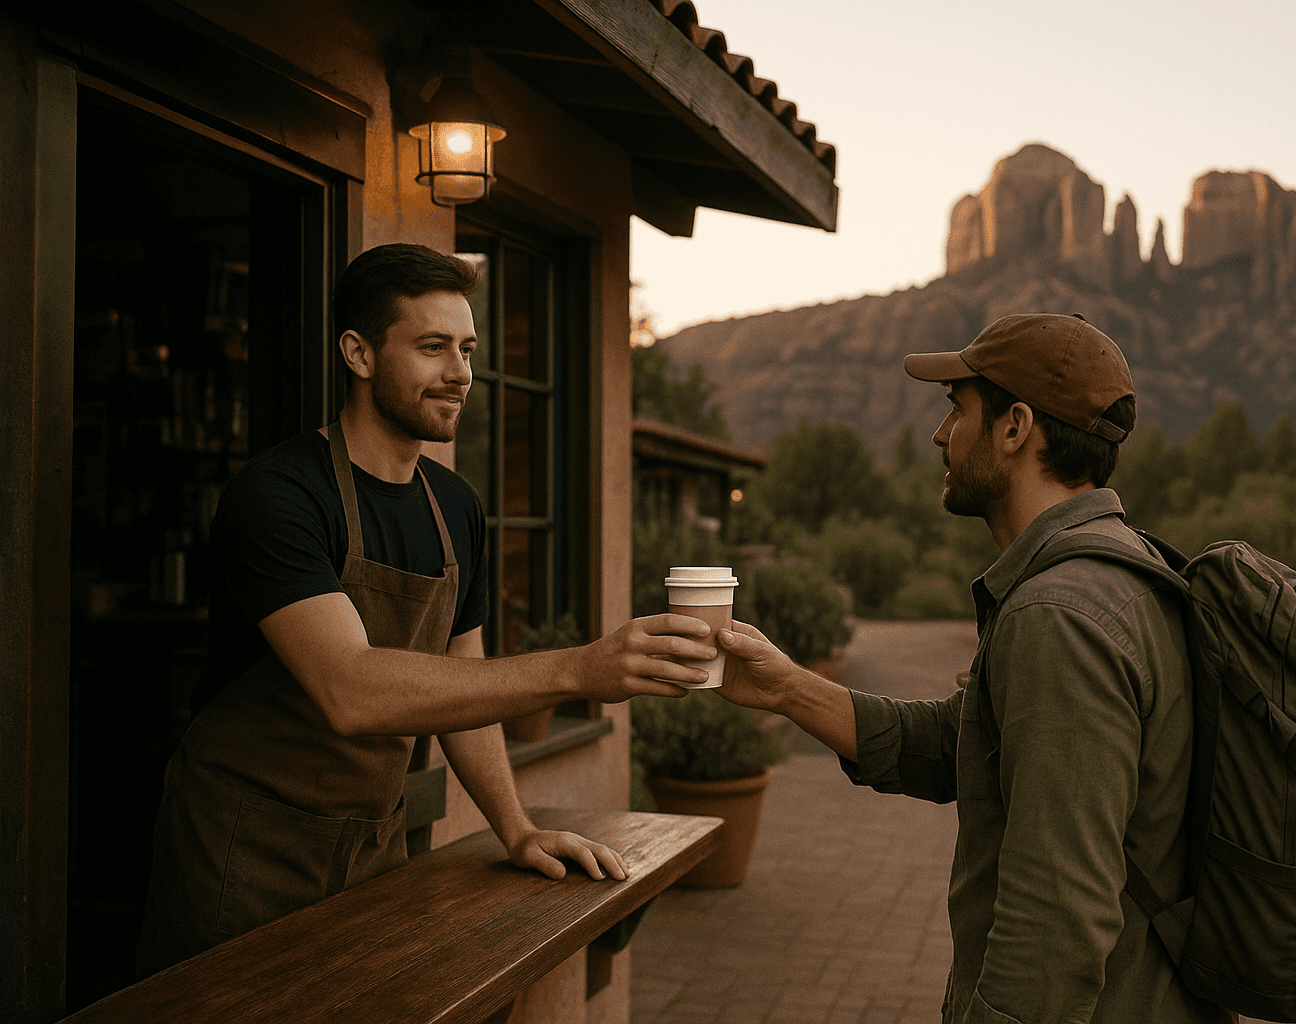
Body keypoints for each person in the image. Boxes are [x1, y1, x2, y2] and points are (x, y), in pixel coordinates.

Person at [137, 243, 710, 976]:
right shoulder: (279, 495)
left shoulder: (455, 508)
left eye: (467, 348)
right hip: (244, 843)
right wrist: (578, 669)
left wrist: (517, 829)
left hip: (373, 838)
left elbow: (462, 684)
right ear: (359, 353)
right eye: (433, 347)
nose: (461, 373)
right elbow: (350, 689)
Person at [715, 313, 1234, 1023]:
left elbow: (1055, 918)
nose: (939, 435)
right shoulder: (1125, 569)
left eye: (957, 410)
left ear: (1015, 427)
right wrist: (781, 685)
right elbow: (967, 744)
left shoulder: (1061, 615)